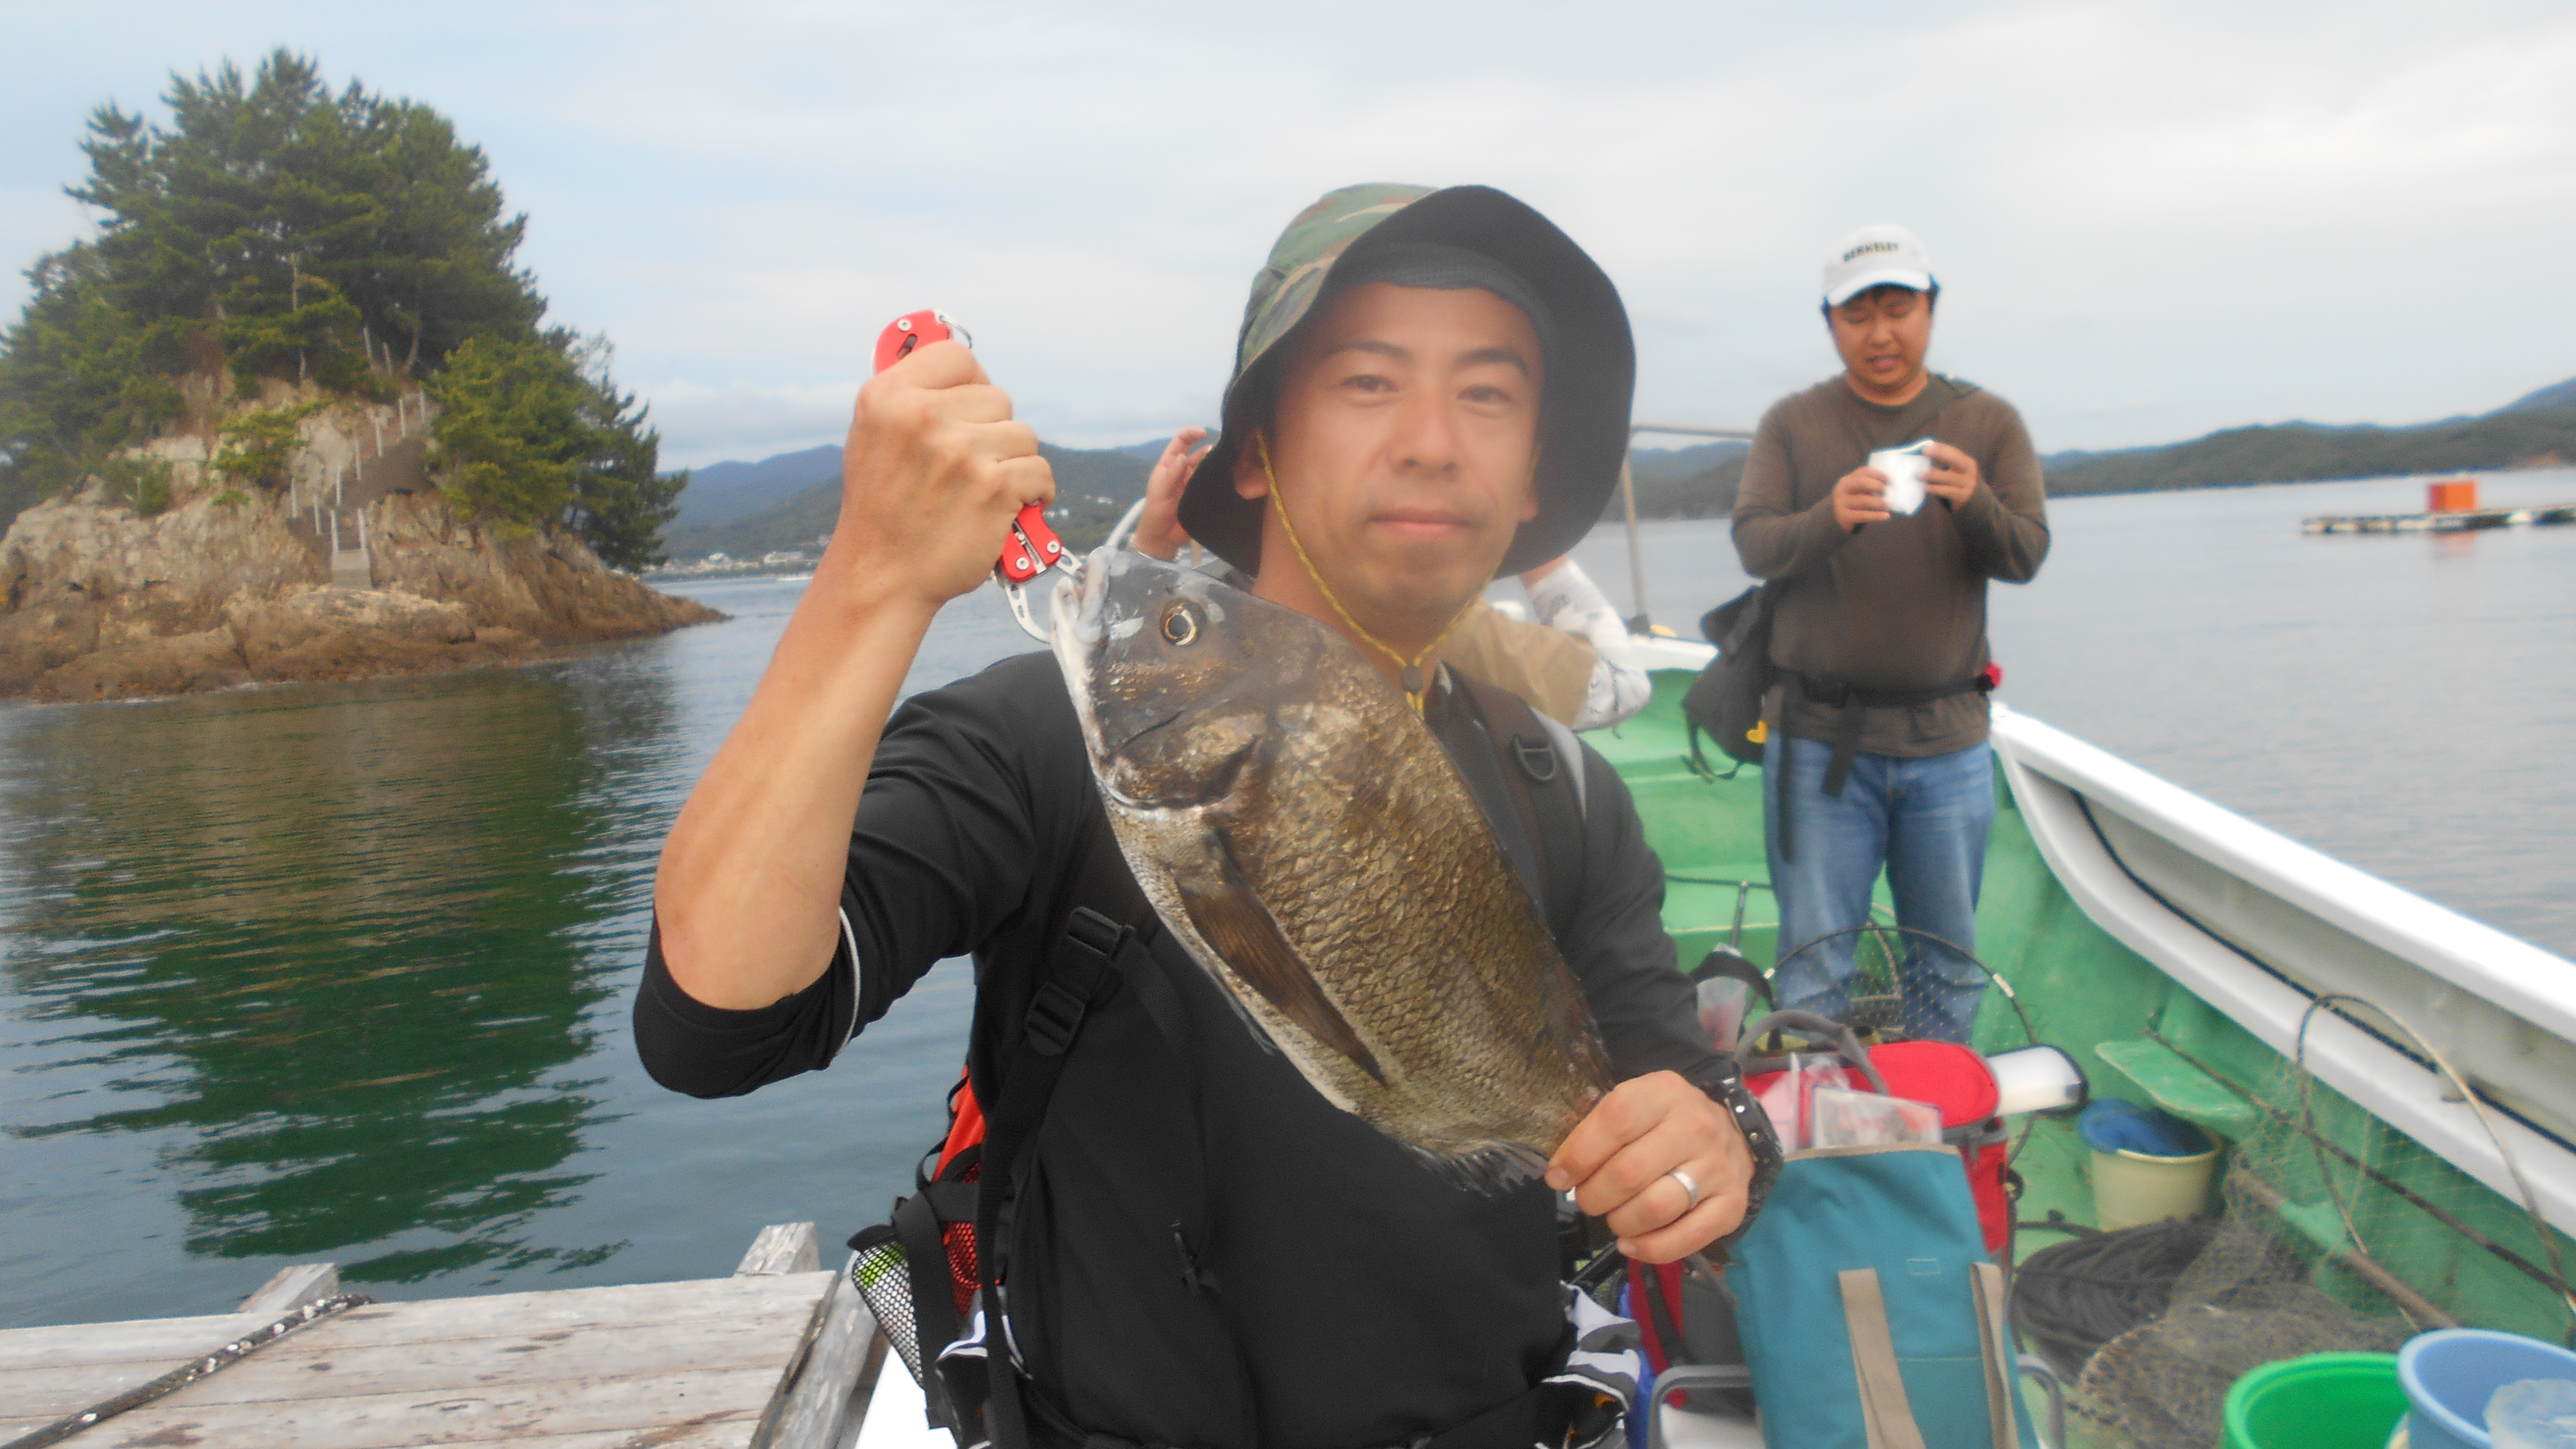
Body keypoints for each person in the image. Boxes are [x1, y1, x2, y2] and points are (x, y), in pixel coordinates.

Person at [638, 183, 1780, 1449]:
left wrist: (1716, 1149)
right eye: (1366, 380)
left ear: (1529, 482)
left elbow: (1693, 1099)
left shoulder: (1560, 786)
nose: (1432, 439)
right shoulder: (1051, 735)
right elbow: (717, 1023)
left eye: (1489, 393)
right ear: (1256, 451)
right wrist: (871, 577)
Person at [1729, 223, 2049, 1045]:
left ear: (1931, 310)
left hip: (1947, 745)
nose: (1881, 332)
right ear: (1831, 322)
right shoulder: (1794, 425)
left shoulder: (1989, 423)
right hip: (1818, 743)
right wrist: (1827, 519)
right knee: (1815, 965)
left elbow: (2025, 555)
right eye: (1859, 313)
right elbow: (1755, 543)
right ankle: (1823, 1148)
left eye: (1899, 309)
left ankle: (1932, 1141)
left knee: (1944, 961)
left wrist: (1975, 501)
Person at [1133, 429, 1652, 730]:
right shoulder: (1447, 631)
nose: (1427, 449)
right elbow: (1618, 686)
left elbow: (1116, 691)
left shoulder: (1203, 614)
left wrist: (1154, 549)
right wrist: (1533, 544)